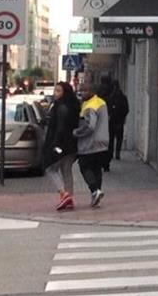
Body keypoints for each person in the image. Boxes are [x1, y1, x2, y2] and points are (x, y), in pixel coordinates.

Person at [73, 80, 112, 208]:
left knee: (84, 167)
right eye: (81, 90)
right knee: (97, 169)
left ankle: (95, 190)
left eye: (85, 90)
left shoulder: (90, 106)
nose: (82, 93)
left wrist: (76, 132)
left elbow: (90, 126)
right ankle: (96, 196)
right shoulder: (101, 102)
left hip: (89, 143)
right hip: (102, 142)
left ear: (92, 91)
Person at [43, 82, 81, 211]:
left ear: (65, 92)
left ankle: (64, 194)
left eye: (58, 91)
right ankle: (69, 199)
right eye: (55, 90)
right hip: (72, 143)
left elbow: (59, 128)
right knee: (66, 170)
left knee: (50, 169)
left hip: (60, 144)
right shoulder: (74, 105)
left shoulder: (61, 107)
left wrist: (55, 144)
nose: (55, 93)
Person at [106, 78, 130, 168]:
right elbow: (126, 109)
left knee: (111, 138)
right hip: (120, 120)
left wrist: (110, 115)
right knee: (119, 137)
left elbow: (107, 108)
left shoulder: (110, 97)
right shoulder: (123, 97)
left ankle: (111, 152)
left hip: (112, 120)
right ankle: (117, 153)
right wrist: (123, 117)